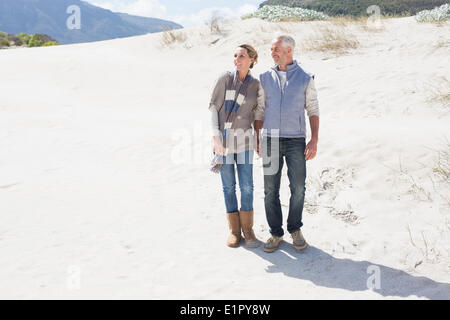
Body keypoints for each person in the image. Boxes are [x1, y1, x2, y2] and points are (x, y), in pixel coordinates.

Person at [260, 35, 320, 253]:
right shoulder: (265, 77)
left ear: (288, 51)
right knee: (270, 189)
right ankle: (275, 233)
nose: (272, 52)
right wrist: (259, 137)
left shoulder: (305, 78)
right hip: (270, 140)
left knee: (298, 188)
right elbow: (260, 110)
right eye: (272, 49)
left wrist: (314, 139)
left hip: (296, 140)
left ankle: (295, 229)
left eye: (276, 49)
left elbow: (313, 109)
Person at [209, 44, 265, 248]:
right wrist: (216, 138)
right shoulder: (224, 79)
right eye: (234, 55)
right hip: (223, 142)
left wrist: (258, 139)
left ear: (252, 59)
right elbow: (214, 108)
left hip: (245, 143)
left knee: (247, 186)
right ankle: (234, 230)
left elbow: (258, 114)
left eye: (241, 56)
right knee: (228, 186)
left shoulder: (256, 85)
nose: (237, 59)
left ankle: (248, 230)